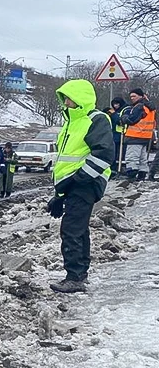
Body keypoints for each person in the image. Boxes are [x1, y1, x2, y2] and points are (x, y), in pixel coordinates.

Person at [46, 79, 114, 293]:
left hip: (86, 183)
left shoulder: (95, 119)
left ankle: (74, 277)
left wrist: (78, 179)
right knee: (79, 229)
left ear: (80, 99)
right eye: (64, 98)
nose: (65, 103)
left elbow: (104, 155)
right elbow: (66, 162)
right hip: (74, 185)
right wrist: (60, 194)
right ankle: (79, 273)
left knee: (71, 229)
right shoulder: (70, 123)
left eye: (69, 98)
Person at [118, 88, 155, 182]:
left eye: (134, 96)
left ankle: (131, 175)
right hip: (145, 136)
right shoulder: (150, 107)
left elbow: (131, 120)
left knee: (132, 157)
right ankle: (142, 175)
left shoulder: (139, 107)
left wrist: (123, 117)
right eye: (131, 96)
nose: (132, 98)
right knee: (142, 158)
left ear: (141, 96)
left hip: (135, 136)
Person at [108, 97, 128, 176]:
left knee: (121, 155)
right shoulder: (115, 112)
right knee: (113, 154)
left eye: (117, 104)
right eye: (114, 104)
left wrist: (113, 114)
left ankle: (120, 169)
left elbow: (120, 121)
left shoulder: (125, 110)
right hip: (114, 135)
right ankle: (114, 169)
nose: (115, 106)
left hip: (122, 135)